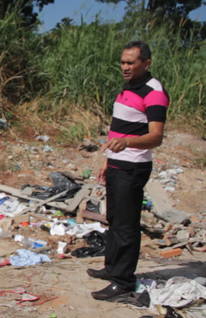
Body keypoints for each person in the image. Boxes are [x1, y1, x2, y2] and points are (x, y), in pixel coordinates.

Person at [88, 41, 169, 300]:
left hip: (133, 166)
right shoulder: (130, 86)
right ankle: (112, 268)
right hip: (117, 163)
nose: (125, 67)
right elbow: (120, 128)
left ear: (146, 63)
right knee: (114, 218)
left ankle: (123, 282)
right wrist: (108, 159)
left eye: (131, 63)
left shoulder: (154, 92)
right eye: (122, 62)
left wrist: (127, 143)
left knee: (126, 224)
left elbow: (156, 136)